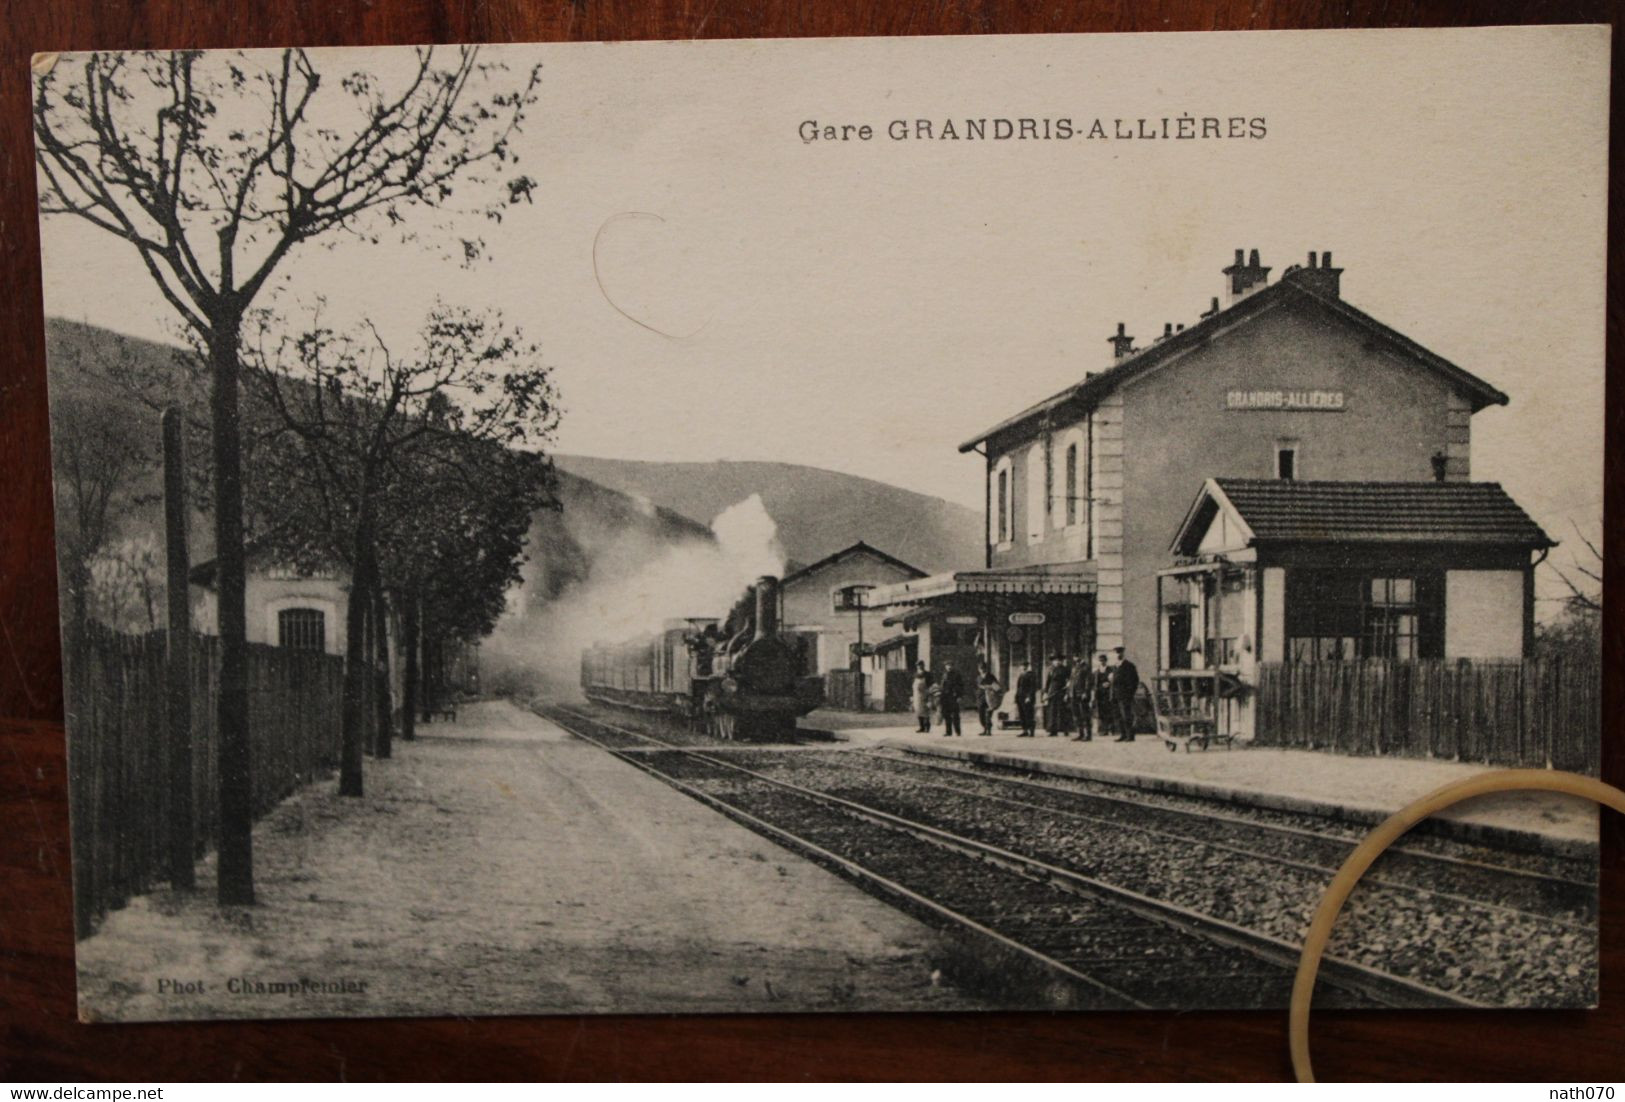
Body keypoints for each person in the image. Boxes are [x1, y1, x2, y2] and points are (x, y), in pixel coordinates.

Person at [1110, 646, 1141, 742]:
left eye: (1120, 653)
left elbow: (1135, 681)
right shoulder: (1114, 666)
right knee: (1118, 716)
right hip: (1115, 695)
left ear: (1123, 654)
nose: (1118, 654)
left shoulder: (1129, 666)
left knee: (1126, 715)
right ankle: (1122, 734)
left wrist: (1130, 693)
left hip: (1125, 695)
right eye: (1116, 653)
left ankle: (1130, 735)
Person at [1043, 656, 1072, 737]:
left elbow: (1069, 681)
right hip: (1052, 692)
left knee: (1062, 711)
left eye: (1059, 660)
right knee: (1052, 712)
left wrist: (1066, 693)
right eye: (1055, 660)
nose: (1057, 662)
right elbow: (1047, 682)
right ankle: (1053, 730)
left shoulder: (1065, 669)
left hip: (1061, 692)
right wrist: (1046, 692)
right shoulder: (1050, 669)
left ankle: (1065, 730)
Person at [1068, 656, 1093, 740]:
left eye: (1076, 656)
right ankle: (1080, 733)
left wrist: (1085, 692)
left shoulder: (1085, 667)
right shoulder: (1074, 667)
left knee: (1084, 714)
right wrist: (1069, 692)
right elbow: (1071, 680)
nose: (1075, 658)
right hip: (1073, 694)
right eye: (1074, 657)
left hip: (1081, 694)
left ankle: (1088, 735)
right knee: (1076, 715)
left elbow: (1088, 680)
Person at [1092, 653, 1114, 742]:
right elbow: (1094, 683)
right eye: (1100, 661)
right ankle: (1102, 730)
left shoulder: (1110, 670)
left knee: (1109, 711)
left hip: (1108, 694)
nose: (1102, 662)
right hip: (1099, 694)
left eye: (1103, 660)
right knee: (1100, 712)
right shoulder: (1096, 672)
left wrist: (1109, 683)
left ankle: (1111, 729)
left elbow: (1114, 680)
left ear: (1106, 661)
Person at [937, 661, 964, 736]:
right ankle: (948, 732)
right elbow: (942, 686)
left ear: (953, 666)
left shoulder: (957, 675)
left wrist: (959, 696)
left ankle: (958, 731)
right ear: (945, 667)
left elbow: (961, 686)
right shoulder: (944, 675)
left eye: (950, 665)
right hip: (945, 697)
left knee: (955, 715)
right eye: (947, 665)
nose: (949, 667)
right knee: (946, 715)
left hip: (954, 697)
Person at [976, 661, 1001, 736]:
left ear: (986, 669)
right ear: (978, 669)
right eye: (980, 668)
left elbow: (997, 687)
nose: (982, 670)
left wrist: (988, 687)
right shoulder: (978, 677)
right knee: (981, 715)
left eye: (983, 668)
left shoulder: (991, 676)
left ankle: (988, 730)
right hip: (981, 698)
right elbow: (977, 687)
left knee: (988, 714)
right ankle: (984, 728)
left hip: (990, 698)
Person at [1014, 664, 1040, 737]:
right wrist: (1016, 697)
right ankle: (1024, 730)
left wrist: (1029, 697)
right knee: (1022, 714)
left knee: (1029, 714)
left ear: (1027, 667)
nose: (1022, 668)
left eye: (1024, 667)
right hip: (1020, 697)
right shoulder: (1021, 675)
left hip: (1027, 698)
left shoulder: (1031, 675)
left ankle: (1031, 731)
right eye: (1021, 667)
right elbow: (1018, 687)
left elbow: (1032, 687)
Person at [910, 661, 934, 733]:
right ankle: (921, 727)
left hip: (925, 694)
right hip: (917, 695)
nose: (919, 667)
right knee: (918, 711)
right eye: (918, 666)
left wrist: (930, 695)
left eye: (921, 665)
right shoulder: (915, 674)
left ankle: (927, 727)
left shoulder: (928, 674)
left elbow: (931, 685)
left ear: (924, 665)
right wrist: (912, 696)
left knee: (925, 711)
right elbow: (913, 685)